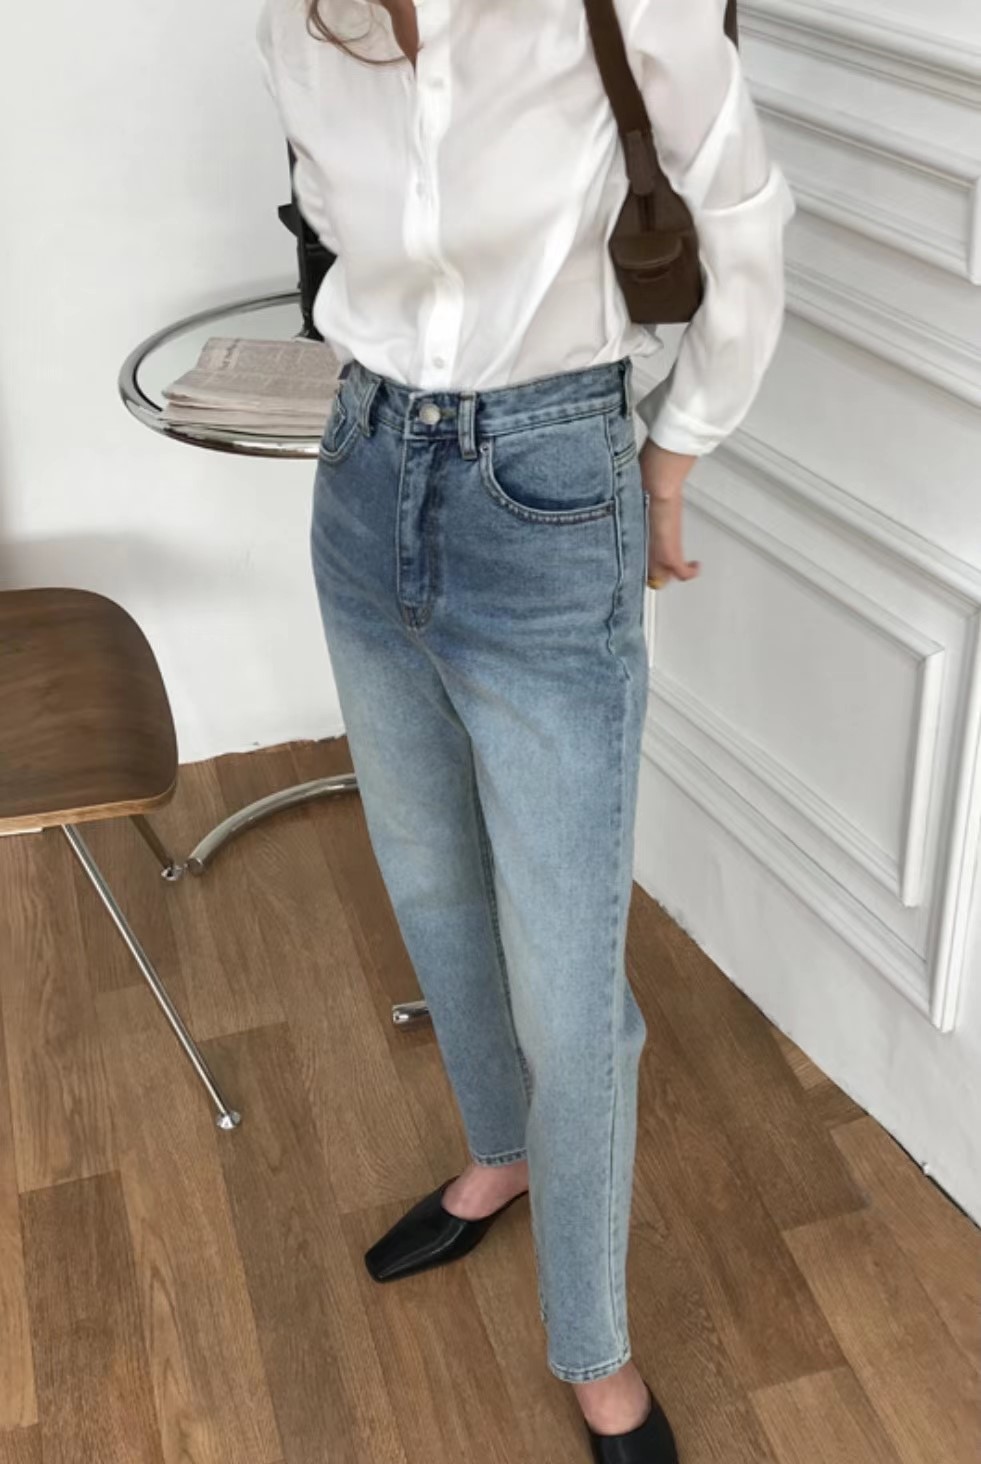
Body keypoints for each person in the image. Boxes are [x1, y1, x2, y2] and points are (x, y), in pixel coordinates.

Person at [256, 1, 793, 1458]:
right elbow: (333, 226)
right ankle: (497, 1151)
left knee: (569, 986)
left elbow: (744, 211)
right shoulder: (303, 18)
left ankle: (594, 1350)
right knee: (430, 883)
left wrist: (673, 457)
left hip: (548, 487)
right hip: (364, 469)